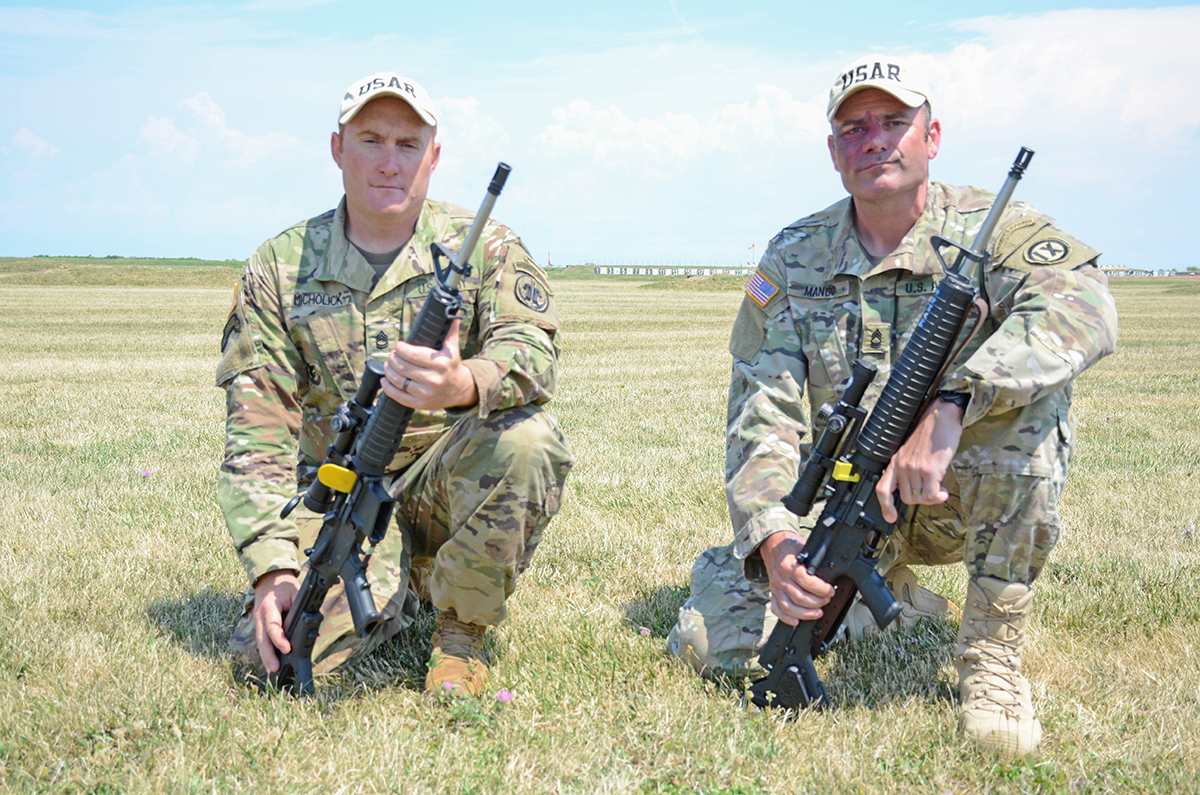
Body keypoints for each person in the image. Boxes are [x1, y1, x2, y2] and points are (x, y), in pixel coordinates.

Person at [668, 56, 1117, 755]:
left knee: (1033, 414)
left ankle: (992, 653)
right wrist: (777, 541)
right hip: (848, 507)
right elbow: (763, 411)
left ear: (931, 136)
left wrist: (954, 403)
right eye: (854, 127)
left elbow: (1084, 308)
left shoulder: (993, 232)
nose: (874, 139)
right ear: (834, 151)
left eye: (894, 122)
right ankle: (884, 601)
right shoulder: (794, 257)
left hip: (952, 494)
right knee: (705, 643)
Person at [216, 72, 573, 696]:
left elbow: (534, 351)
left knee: (528, 439)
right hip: (342, 490)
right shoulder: (278, 267)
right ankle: (396, 584)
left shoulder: (486, 246)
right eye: (371, 140)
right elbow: (258, 431)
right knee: (270, 659)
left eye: (408, 144)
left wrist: (464, 382)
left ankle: (460, 635)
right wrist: (273, 567)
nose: (389, 162)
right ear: (337, 148)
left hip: (445, 482)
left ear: (433, 156)